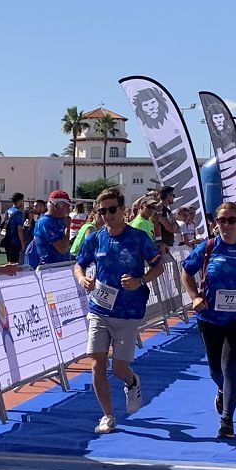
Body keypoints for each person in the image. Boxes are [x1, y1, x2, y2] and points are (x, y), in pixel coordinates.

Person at [74, 188, 162, 434]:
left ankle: (132, 382)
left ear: (123, 210)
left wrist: (139, 280)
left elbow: (159, 267)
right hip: (99, 309)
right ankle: (107, 416)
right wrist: (82, 279)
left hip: (128, 312)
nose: (108, 215)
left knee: (119, 369)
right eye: (102, 211)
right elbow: (79, 265)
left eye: (112, 209)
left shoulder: (138, 238)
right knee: (96, 364)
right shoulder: (95, 238)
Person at [181, 201, 236, 439]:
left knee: (231, 367)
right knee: (214, 369)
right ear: (215, 223)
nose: (227, 225)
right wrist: (194, 297)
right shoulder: (208, 247)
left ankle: (227, 420)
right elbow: (186, 271)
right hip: (209, 317)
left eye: (232, 220)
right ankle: (222, 390)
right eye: (222, 220)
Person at [32, 189, 72, 265]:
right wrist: (68, 228)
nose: (68, 210)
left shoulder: (59, 219)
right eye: (66, 206)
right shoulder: (46, 222)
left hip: (59, 266)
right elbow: (62, 249)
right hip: (50, 268)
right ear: (56, 206)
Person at [2, 193, 26, 264]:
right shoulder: (18, 213)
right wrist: (22, 243)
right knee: (15, 263)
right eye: (22, 201)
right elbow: (19, 230)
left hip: (7, 239)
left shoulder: (7, 211)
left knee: (9, 261)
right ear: (19, 201)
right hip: (15, 241)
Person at [154, 186, 178, 250]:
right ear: (168, 196)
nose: (173, 197)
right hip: (161, 246)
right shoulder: (159, 208)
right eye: (173, 195)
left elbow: (177, 228)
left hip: (168, 245)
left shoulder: (168, 210)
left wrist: (173, 225)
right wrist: (173, 225)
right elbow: (170, 228)